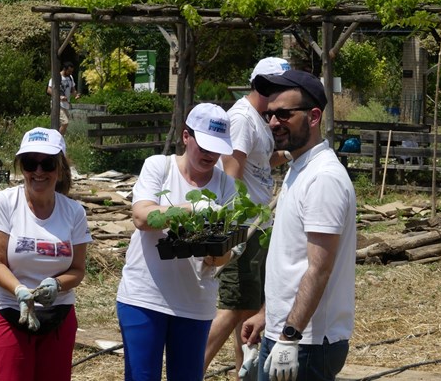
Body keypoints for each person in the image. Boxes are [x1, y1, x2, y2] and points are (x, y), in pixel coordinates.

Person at [241, 70, 357, 381]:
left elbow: (319, 268)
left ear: (314, 116)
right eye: (269, 114)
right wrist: (268, 315)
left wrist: (289, 336)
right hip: (288, 333)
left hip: (307, 342)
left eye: (284, 114)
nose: (273, 123)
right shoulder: (299, 168)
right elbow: (292, 261)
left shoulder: (323, 178)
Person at [116, 103, 238, 381]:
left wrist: (216, 254)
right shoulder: (159, 167)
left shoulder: (225, 186)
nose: (209, 154)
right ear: (186, 136)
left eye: (216, 148)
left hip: (194, 301)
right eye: (204, 145)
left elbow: (227, 253)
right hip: (144, 297)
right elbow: (141, 217)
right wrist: (190, 210)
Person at [204, 57, 293, 380]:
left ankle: (246, 372)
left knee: (249, 305)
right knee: (234, 305)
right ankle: (190, 369)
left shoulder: (259, 119)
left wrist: (286, 155)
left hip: (257, 224)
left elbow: (258, 164)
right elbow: (232, 172)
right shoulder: (241, 119)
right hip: (244, 226)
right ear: (263, 87)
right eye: (280, 88)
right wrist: (235, 227)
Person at [0, 127, 92, 381]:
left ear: (60, 168)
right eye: (31, 163)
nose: (39, 172)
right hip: (8, 310)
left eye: (48, 164)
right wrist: (19, 291)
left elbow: (77, 269)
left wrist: (57, 284)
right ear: (22, 168)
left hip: (58, 315)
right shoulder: (4, 203)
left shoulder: (74, 212)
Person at [47, 62, 79, 135]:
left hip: (66, 105)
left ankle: (57, 139)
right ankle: (59, 139)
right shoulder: (56, 77)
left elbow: (73, 89)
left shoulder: (70, 78)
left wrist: (76, 95)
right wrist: (59, 97)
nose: (70, 73)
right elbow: (49, 90)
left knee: (61, 125)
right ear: (64, 69)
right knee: (65, 122)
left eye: (72, 71)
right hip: (57, 104)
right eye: (69, 71)